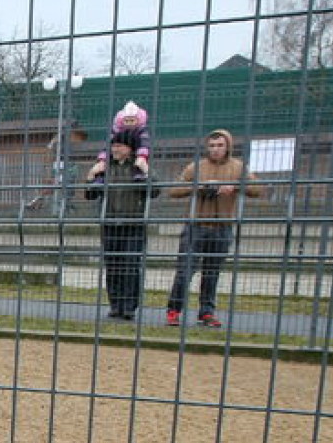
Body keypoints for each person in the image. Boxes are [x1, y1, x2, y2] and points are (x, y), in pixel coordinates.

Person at [164, 128, 263, 328]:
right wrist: (198, 186)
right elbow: (173, 190)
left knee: (212, 272)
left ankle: (206, 313)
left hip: (222, 227)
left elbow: (257, 189)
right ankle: (174, 311)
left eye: (220, 145)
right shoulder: (196, 167)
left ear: (228, 147)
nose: (215, 149)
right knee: (185, 271)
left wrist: (234, 186)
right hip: (196, 226)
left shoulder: (238, 167)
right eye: (211, 145)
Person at [85, 136, 161, 320]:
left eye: (119, 145)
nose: (115, 149)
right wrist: (91, 175)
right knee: (112, 266)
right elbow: (90, 194)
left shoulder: (137, 167)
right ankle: (115, 304)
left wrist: (146, 171)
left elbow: (155, 190)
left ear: (129, 148)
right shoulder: (105, 167)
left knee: (131, 266)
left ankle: (129, 306)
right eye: (113, 145)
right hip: (110, 224)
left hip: (133, 224)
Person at [94, 101, 152, 179]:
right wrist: (102, 158)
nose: (129, 123)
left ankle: (139, 174)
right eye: (126, 121)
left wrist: (142, 155)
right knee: (103, 164)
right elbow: (108, 145)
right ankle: (100, 178)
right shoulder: (116, 130)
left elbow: (144, 143)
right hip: (114, 156)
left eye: (132, 120)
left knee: (139, 161)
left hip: (136, 151)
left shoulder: (142, 130)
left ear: (138, 120)